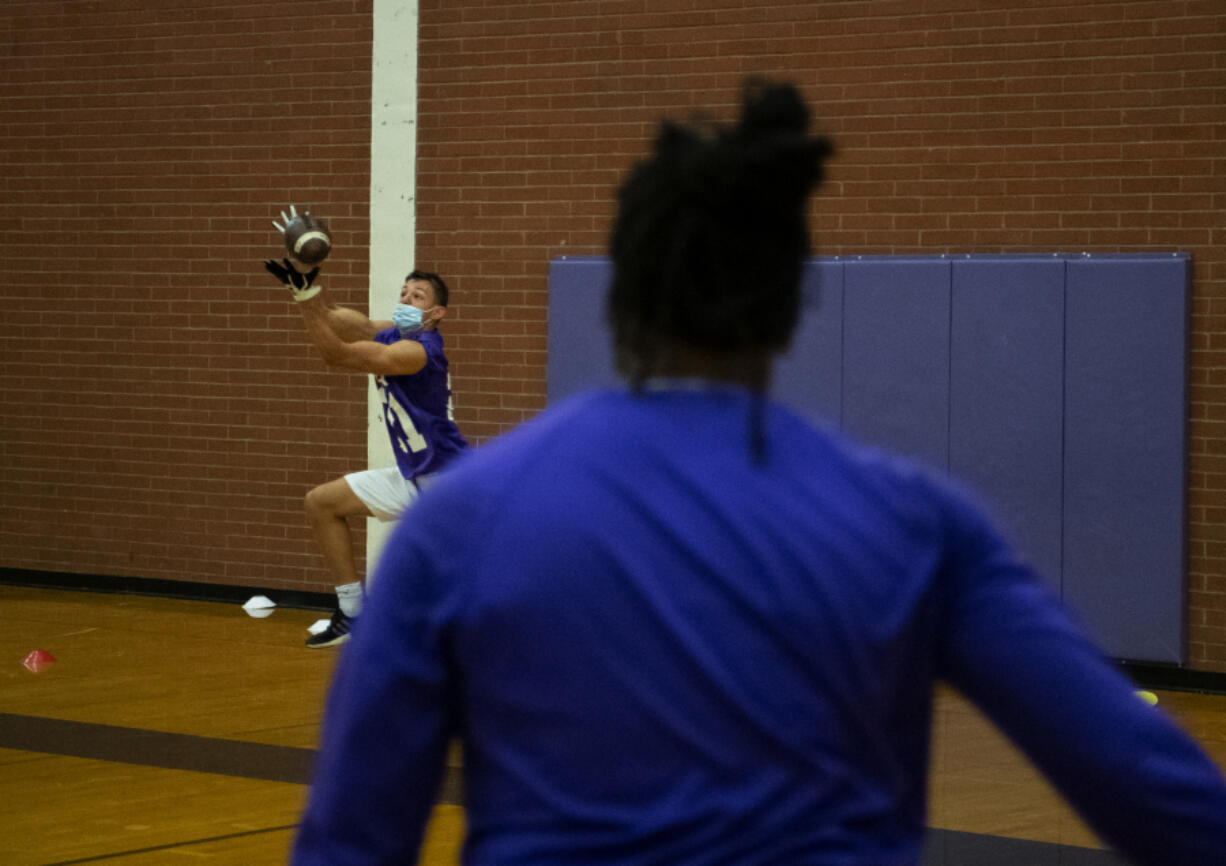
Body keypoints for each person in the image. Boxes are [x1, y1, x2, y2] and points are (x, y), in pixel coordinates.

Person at [290, 80, 1226, 864]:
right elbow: (1164, 800)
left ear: (618, 301)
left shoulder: (457, 528)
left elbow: (351, 843)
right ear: (789, 305)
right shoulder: (919, 524)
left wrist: (309, 296)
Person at [264, 256, 468, 648]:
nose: (406, 300)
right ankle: (352, 612)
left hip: (447, 486)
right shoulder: (395, 333)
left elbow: (336, 354)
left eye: (418, 296)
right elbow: (355, 324)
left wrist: (305, 298)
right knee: (321, 503)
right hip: (412, 476)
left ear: (437, 312)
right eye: (404, 293)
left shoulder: (419, 352)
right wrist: (307, 288)